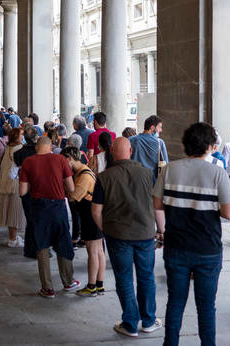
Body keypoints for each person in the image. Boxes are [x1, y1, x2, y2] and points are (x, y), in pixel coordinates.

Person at [153, 122, 230, 346]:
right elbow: (229, 213)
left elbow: (157, 204)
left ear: (185, 144)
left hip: (176, 247)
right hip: (207, 249)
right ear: (210, 145)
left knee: (175, 302)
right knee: (206, 305)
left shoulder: (170, 169)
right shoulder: (218, 172)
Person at [91, 137, 163, 337]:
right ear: (130, 151)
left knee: (124, 278)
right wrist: (161, 229)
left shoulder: (104, 177)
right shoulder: (147, 173)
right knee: (146, 277)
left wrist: (106, 230)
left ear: (113, 152)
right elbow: (156, 204)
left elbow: (96, 210)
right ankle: (149, 320)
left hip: (117, 234)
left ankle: (130, 324)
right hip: (145, 233)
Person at [19, 137, 81, 298]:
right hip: (58, 206)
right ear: (50, 146)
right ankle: (68, 281)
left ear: (37, 147)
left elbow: (22, 191)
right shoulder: (60, 159)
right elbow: (71, 187)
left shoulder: (28, 162)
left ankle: (47, 288)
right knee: (63, 242)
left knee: (42, 245)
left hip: (39, 207)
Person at [61, 147, 104, 297]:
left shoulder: (84, 175)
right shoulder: (82, 172)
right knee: (99, 252)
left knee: (93, 252)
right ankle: (99, 284)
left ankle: (92, 286)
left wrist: (67, 187)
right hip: (92, 215)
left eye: (64, 161)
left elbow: (74, 197)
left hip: (90, 217)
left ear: (70, 159)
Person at [0, 128, 26, 248]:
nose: (23, 136)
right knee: (14, 213)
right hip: (15, 184)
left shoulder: (8, 147)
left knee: (10, 212)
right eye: (22, 134)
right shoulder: (18, 149)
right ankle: (13, 239)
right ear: (16, 137)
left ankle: (12, 237)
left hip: (6, 183)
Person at [15, 127, 40, 258]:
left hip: (25, 190)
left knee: (30, 219)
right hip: (40, 189)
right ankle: (37, 248)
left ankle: (29, 249)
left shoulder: (18, 154)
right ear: (36, 138)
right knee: (38, 220)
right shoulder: (40, 153)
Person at [129, 115, 169, 184]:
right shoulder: (160, 143)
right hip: (151, 181)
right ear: (152, 128)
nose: (161, 130)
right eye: (159, 127)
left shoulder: (130, 140)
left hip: (133, 180)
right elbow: (165, 165)